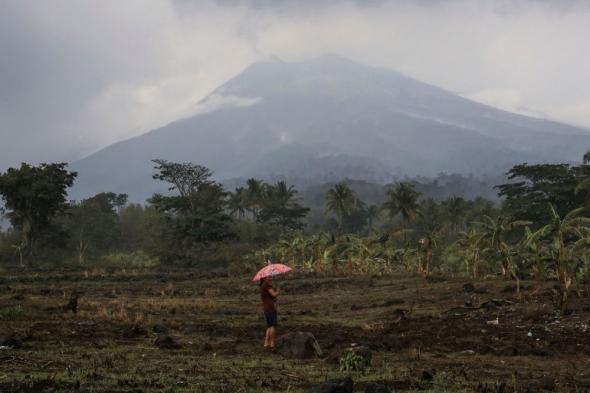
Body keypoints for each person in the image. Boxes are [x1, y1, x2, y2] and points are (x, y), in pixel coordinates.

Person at [260, 276, 280, 349]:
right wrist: (278, 291)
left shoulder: (263, 285)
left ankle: (266, 343)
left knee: (269, 326)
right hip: (270, 308)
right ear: (265, 278)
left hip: (266, 308)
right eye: (269, 277)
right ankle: (272, 343)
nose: (271, 279)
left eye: (271, 277)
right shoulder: (266, 285)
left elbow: (271, 296)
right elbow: (273, 294)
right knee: (272, 326)